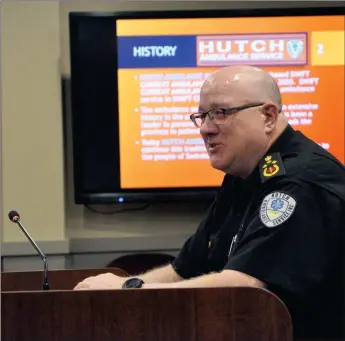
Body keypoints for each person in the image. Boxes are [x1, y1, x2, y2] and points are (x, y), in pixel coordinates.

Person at [74, 65, 345, 341]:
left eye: (220, 113)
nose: (205, 128)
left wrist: (126, 291)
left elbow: (245, 287)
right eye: (202, 116)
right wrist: (125, 289)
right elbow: (184, 270)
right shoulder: (242, 175)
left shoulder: (300, 183)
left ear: (268, 116)